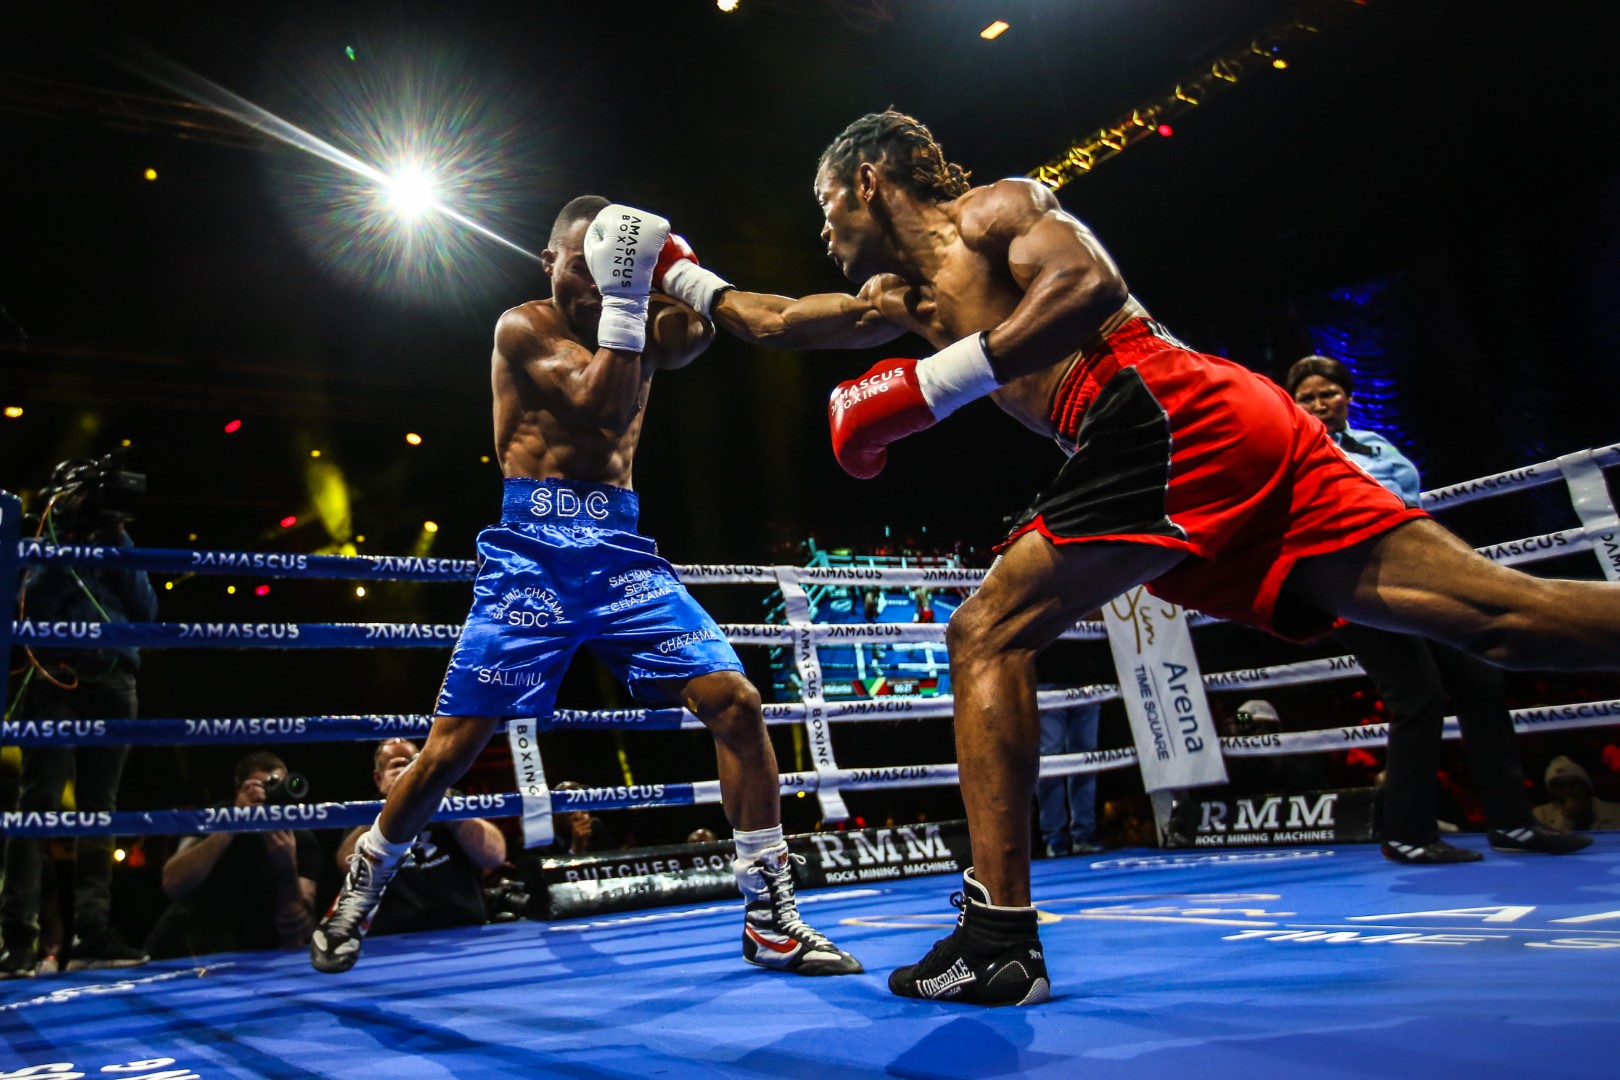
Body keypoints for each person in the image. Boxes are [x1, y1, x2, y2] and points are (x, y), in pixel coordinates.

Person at [651, 109, 1620, 1005]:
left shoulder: (997, 210)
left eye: (825, 203)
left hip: (1160, 408)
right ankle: (998, 938)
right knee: (1499, 617)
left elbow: (1088, 288)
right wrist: (680, 273)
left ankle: (998, 941)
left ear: (868, 180)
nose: (822, 229)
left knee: (985, 633)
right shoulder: (898, 300)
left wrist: (940, 382)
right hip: (1216, 427)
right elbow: (775, 322)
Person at [310, 196, 860, 979]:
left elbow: (704, 332)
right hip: (531, 555)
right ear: (550, 262)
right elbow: (599, 405)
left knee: (737, 703)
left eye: (611, 269)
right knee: (449, 751)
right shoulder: (522, 327)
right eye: (585, 265)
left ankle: (771, 918)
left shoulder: (640, 316)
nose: (599, 283)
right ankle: (363, 885)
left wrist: (682, 277)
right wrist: (634, 293)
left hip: (618, 554)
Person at [1287, 354, 1591, 864]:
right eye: (1307, 397)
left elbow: (1409, 506)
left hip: (1413, 577)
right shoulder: (1294, 449)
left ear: (1347, 396)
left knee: (1481, 682)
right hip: (1352, 584)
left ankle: (1512, 822)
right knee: (1418, 697)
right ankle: (1407, 833)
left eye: (1328, 393)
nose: (1319, 404)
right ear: (1294, 405)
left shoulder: (1377, 445)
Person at [1, 459, 157, 977]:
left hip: (114, 678)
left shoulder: (116, 541)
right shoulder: (38, 539)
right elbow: (30, 602)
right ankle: (17, 940)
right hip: (56, 679)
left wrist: (116, 539)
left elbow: (146, 610)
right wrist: (60, 544)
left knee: (99, 809)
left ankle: (93, 933)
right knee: (37, 807)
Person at [145, 751, 323, 960]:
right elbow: (172, 883)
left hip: (259, 956)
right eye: (262, 789)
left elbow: (296, 935)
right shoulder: (216, 818)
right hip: (192, 950)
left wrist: (287, 866)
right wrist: (231, 826)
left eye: (278, 788)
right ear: (240, 792)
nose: (271, 797)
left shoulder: (301, 840)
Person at [332, 739, 506, 937]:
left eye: (412, 764)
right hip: (393, 936)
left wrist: (446, 803)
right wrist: (390, 804)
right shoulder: (367, 812)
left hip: (464, 927)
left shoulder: (450, 800)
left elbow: (495, 856)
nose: (406, 772)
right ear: (379, 778)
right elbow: (347, 865)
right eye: (397, 766)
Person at [1035, 699, 1102, 857]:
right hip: (1047, 690)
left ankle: (1084, 834)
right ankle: (1054, 837)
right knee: (1050, 759)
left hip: (1086, 690)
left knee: (1086, 758)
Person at [1533, 756, 1620, 832]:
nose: (1568, 790)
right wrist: (1566, 817)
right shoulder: (1541, 815)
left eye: (1573, 783)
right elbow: (1550, 845)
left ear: (1586, 785)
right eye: (1559, 786)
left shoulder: (1615, 811)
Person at [545, 780, 617, 855]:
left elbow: (613, 858)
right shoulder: (545, 840)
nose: (579, 813)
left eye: (581, 804)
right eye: (571, 805)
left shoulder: (595, 826)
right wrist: (576, 849)